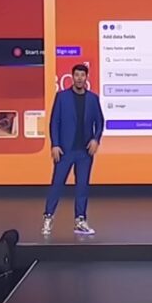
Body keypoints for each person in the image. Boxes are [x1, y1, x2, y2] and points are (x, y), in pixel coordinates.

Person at [43, 64, 104, 236]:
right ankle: (48, 217)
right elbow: (54, 122)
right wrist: (55, 144)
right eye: (76, 75)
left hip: (85, 152)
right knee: (57, 184)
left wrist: (96, 139)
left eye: (82, 75)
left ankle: (80, 220)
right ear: (72, 77)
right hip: (65, 150)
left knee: (82, 186)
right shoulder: (62, 97)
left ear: (86, 77)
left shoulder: (93, 99)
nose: (79, 78)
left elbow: (100, 122)